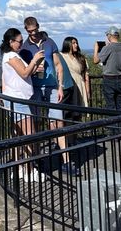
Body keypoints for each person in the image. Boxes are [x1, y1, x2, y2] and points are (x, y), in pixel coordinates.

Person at [18, 17, 79, 175]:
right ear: (26, 30)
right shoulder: (24, 48)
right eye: (29, 31)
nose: (32, 33)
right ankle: (38, 160)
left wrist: (60, 87)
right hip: (35, 88)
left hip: (51, 86)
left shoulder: (49, 42)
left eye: (34, 30)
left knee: (58, 123)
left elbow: (58, 65)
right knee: (36, 124)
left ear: (38, 27)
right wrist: (34, 67)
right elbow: (23, 72)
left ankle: (66, 161)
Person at [0, 27, 46, 182]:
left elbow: (15, 75)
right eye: (19, 41)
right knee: (29, 136)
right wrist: (34, 59)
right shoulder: (11, 56)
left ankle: (20, 168)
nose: (21, 44)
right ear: (11, 42)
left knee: (18, 136)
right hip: (18, 100)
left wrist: (34, 66)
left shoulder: (10, 55)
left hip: (14, 99)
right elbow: (24, 73)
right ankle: (29, 170)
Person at [93, 27, 121, 110]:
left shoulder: (107, 48)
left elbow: (95, 61)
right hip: (120, 78)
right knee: (120, 105)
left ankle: (112, 123)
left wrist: (96, 49)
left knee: (110, 106)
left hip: (109, 79)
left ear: (109, 36)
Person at [61, 36, 90, 113]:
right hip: (67, 86)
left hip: (80, 85)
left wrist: (87, 91)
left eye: (76, 43)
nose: (76, 45)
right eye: (73, 43)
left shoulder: (81, 58)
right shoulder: (62, 56)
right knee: (68, 111)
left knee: (78, 111)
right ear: (67, 44)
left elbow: (86, 76)